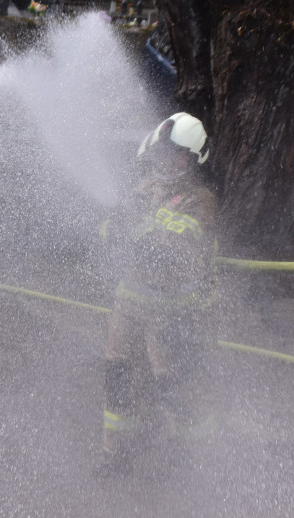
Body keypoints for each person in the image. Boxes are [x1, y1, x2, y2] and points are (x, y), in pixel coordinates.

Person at [99, 112, 218, 475]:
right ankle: (117, 452)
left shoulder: (199, 200)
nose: (167, 160)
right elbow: (110, 231)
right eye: (164, 152)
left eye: (176, 154)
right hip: (128, 304)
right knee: (118, 377)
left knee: (172, 387)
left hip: (170, 311)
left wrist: (140, 234)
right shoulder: (144, 187)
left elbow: (183, 248)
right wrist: (114, 227)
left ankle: (192, 458)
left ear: (193, 159)